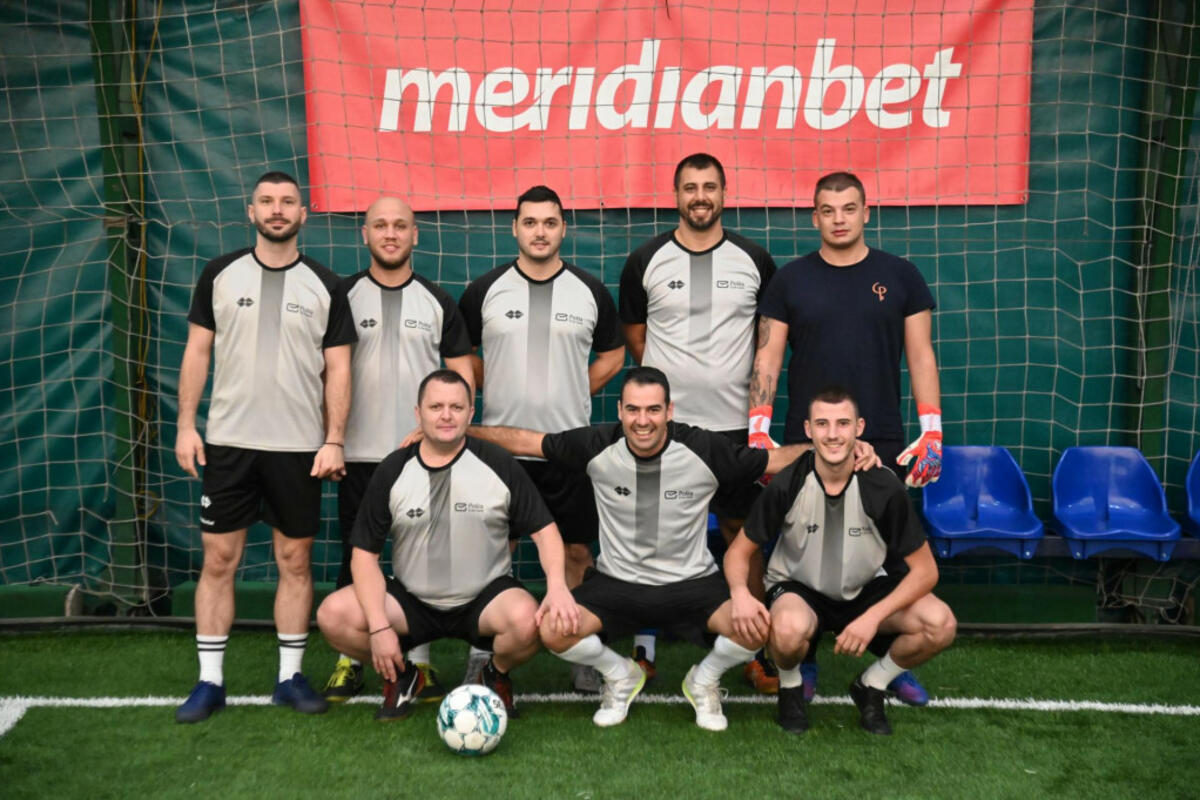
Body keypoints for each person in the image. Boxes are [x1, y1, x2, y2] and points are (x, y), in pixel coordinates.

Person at [472, 367, 878, 731]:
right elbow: (526, 441)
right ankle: (620, 674)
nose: (642, 420)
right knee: (551, 629)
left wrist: (839, 447)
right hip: (616, 583)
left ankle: (704, 680)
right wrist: (461, 432)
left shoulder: (703, 449)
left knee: (758, 626)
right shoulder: (595, 445)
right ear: (620, 411)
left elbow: (773, 460)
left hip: (692, 582)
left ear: (669, 410)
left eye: (653, 409)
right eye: (633, 410)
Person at [750, 170, 943, 705]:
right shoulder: (790, 280)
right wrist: (758, 430)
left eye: (849, 208)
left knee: (889, 555)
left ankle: (887, 662)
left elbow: (921, 354)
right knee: (800, 548)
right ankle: (801, 655)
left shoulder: (901, 276)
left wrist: (932, 429)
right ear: (815, 217)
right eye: (828, 210)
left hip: (882, 434)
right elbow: (767, 355)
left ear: (866, 213)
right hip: (808, 440)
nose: (839, 219)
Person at [174, 171, 358, 723]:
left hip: (298, 449)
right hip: (229, 444)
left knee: (295, 561)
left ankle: (289, 677)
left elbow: (338, 369)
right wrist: (186, 425)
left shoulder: (327, 284)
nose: (277, 210)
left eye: (288, 202)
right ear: (250, 212)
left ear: (304, 214)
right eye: (267, 202)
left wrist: (334, 439)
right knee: (219, 559)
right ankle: (209, 681)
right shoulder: (219, 274)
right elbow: (197, 351)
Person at [315, 370, 580, 721]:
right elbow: (364, 556)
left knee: (532, 622)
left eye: (456, 407)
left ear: (470, 414)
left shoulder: (499, 463)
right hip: (411, 601)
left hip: (485, 600)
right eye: (436, 406)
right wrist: (379, 627)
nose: (446, 415)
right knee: (332, 615)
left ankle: (495, 673)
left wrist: (558, 586)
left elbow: (545, 532)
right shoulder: (393, 469)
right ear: (418, 413)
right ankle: (403, 676)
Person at [619, 152, 779, 691]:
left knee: (741, 533)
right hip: (665, 431)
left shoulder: (755, 260)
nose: (700, 197)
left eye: (709, 186)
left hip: (734, 429)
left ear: (724, 194)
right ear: (676, 195)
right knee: (652, 536)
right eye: (690, 187)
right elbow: (637, 339)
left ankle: (753, 647)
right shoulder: (645, 260)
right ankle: (643, 650)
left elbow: (767, 340)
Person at [458, 185, 625, 692]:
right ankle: (481, 653)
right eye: (530, 222)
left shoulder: (590, 291)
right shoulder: (484, 290)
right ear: (515, 228)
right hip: (500, 449)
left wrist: (575, 387)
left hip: (567, 449)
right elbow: (461, 356)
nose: (539, 232)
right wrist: (492, 385)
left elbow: (614, 356)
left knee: (576, 553)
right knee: (494, 552)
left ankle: (581, 651)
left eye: (549, 222)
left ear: (563, 229)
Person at [725, 386, 956, 735]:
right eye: (822, 424)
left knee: (940, 623)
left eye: (843, 424)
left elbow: (926, 572)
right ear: (808, 429)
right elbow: (738, 552)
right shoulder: (787, 483)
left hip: (864, 590)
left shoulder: (882, 485)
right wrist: (741, 594)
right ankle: (790, 687)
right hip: (799, 590)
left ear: (859, 428)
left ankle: (872, 684)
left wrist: (871, 619)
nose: (833, 434)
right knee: (786, 630)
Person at [321, 197, 475, 706]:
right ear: (364, 234)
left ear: (415, 235)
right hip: (358, 456)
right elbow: (325, 370)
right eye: (381, 225)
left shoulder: (437, 300)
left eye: (401, 226)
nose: (391, 234)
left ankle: (421, 663)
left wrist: (439, 436)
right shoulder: (341, 296)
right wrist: (333, 437)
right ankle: (349, 661)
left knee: (420, 561)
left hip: (421, 456)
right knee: (354, 556)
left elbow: (462, 375)